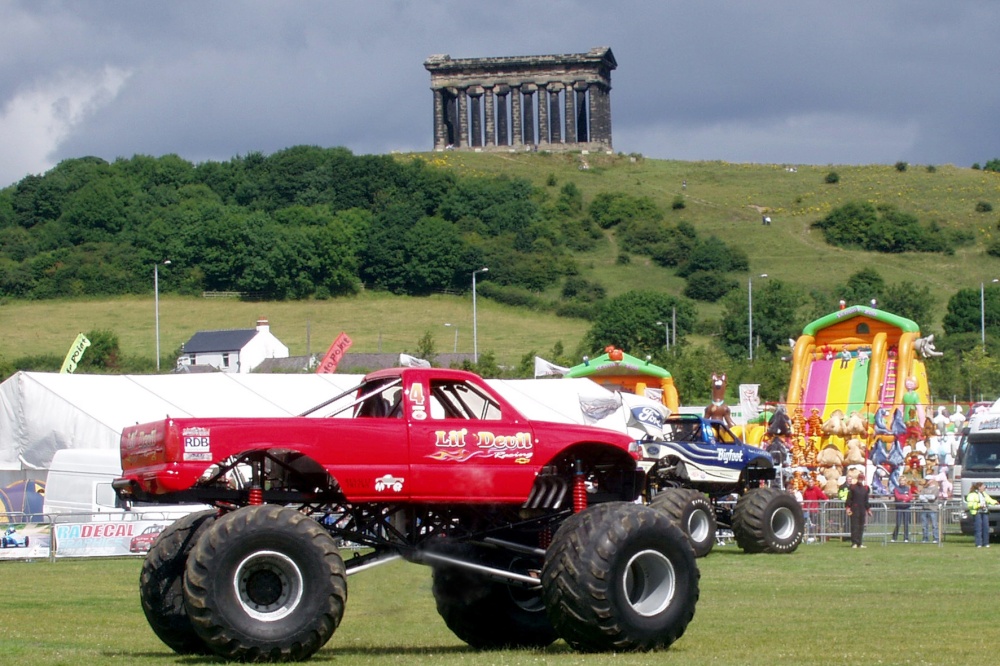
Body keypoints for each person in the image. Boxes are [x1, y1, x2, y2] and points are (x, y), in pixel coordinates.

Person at [966, 481, 998, 548]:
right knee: (978, 528)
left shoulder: (984, 494)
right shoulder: (972, 495)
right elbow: (970, 505)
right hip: (977, 513)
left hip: (984, 512)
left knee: (986, 528)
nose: (984, 487)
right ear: (979, 487)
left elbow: (989, 500)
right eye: (983, 486)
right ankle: (978, 543)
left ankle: (986, 543)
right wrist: (979, 505)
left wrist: (995, 502)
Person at [845, 475, 871, 548]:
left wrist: (868, 509)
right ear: (857, 478)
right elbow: (849, 498)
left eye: (862, 478)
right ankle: (854, 543)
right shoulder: (853, 487)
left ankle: (860, 543)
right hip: (854, 509)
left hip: (862, 509)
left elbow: (866, 501)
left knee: (861, 526)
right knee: (854, 526)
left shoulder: (865, 488)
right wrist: (848, 508)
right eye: (859, 478)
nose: (860, 479)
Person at [802, 477, 828, 543]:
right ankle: (806, 536)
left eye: (811, 482)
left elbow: (822, 496)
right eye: (809, 482)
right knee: (806, 523)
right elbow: (804, 499)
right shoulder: (806, 490)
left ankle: (811, 537)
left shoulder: (816, 489)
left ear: (813, 483)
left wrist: (825, 500)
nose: (810, 483)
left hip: (814, 510)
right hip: (807, 510)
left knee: (812, 524)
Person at [917, 479, 940, 543]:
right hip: (924, 508)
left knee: (934, 525)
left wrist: (925, 497)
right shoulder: (924, 489)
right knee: (924, 525)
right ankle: (925, 538)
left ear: (932, 480)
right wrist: (926, 497)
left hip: (933, 509)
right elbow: (920, 497)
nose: (927, 481)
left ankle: (936, 538)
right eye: (926, 480)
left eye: (928, 480)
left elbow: (933, 497)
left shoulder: (936, 489)